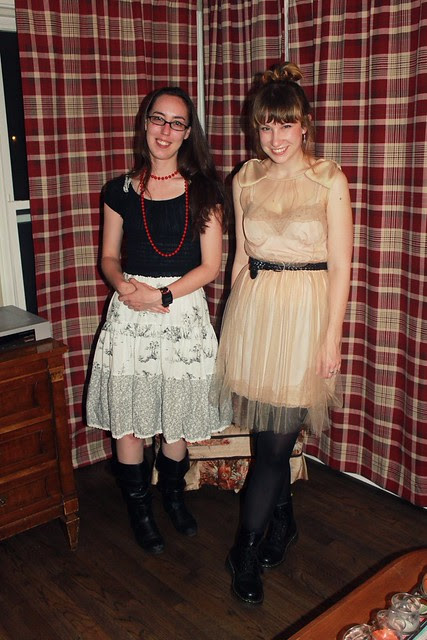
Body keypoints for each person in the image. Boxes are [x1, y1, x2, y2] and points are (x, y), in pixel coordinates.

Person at [214, 62, 353, 604]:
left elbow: (341, 266)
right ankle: (283, 521)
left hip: (304, 316)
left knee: (273, 446)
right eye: (266, 125)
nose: (275, 138)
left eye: (285, 124)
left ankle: (244, 551)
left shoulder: (329, 179)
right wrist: (230, 324)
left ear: (305, 125)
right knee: (265, 435)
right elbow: (239, 258)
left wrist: (331, 336)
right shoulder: (245, 179)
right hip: (255, 311)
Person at [86, 86, 231, 555]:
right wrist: (125, 287)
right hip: (130, 313)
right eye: (158, 119)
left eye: (177, 123)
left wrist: (162, 294)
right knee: (129, 420)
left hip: (181, 311)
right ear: (145, 123)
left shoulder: (206, 190)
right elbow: (109, 257)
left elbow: (210, 266)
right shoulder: (119, 191)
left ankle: (172, 496)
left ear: (188, 133)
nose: (165, 131)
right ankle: (139, 509)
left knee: (176, 419)